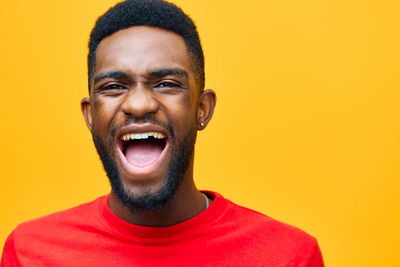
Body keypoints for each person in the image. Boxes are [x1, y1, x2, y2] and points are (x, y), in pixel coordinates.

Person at [1, 0, 324, 266]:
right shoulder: (30, 252)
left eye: (166, 84)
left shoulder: (289, 255)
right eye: (113, 87)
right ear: (90, 115)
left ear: (202, 108)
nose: (139, 104)